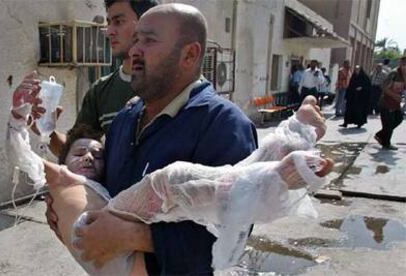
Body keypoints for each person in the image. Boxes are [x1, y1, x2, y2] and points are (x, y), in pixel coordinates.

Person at [64, 4, 332, 275]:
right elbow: (103, 192)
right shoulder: (125, 120)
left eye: (148, 41)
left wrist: (135, 236)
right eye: (135, 40)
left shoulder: (223, 126)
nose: (134, 50)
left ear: (190, 54)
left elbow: (228, 241)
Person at [9, 85, 333, 274]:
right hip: (130, 263)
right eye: (80, 153)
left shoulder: (99, 184)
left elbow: (69, 148)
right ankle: (286, 147)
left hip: (131, 245)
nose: (90, 156)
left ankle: (288, 144)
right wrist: (20, 119)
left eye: (98, 153)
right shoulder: (62, 180)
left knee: (177, 189)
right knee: (170, 182)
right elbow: (27, 153)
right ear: (63, 160)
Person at [14, 0, 157, 157]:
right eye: (109, 23)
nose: (109, 31)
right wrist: (47, 130)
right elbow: (75, 155)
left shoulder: (173, 83)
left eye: (118, 22)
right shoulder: (101, 91)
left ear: (147, 24)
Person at [374, 56, 406, 150]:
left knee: (398, 119)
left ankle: (380, 135)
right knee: (388, 123)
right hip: (386, 102)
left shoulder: (403, 75)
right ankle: (386, 143)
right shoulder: (394, 73)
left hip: (396, 104)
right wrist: (394, 95)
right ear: (400, 64)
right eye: (404, 64)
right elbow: (384, 87)